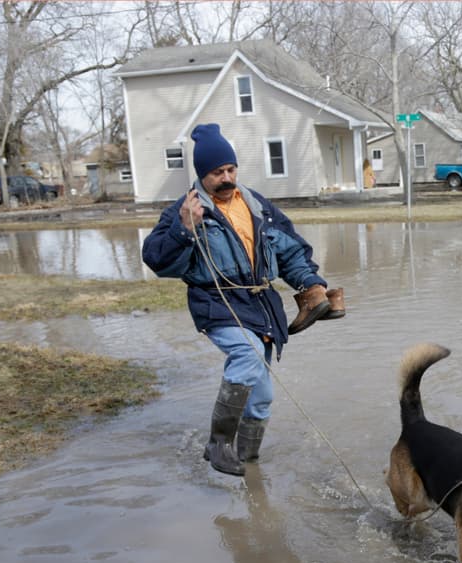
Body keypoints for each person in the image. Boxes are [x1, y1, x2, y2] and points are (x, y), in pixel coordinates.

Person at [142, 123, 345, 477]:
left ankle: (249, 466)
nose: (226, 178)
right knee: (247, 355)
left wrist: (310, 285)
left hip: (260, 305)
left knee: (263, 395)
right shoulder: (185, 210)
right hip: (217, 303)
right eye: (217, 172)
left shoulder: (256, 204)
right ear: (202, 174)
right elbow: (157, 260)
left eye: (230, 169)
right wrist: (184, 229)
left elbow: (290, 250)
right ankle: (218, 443)